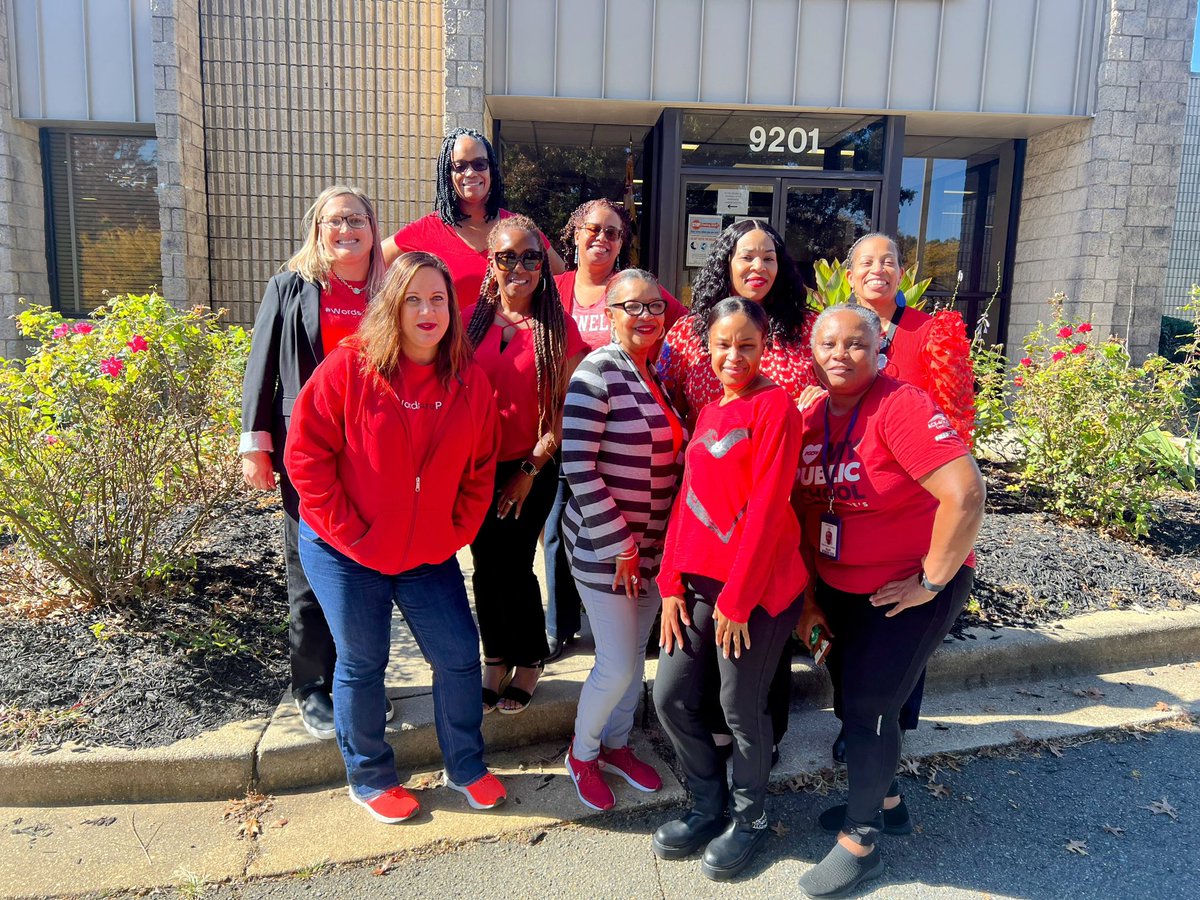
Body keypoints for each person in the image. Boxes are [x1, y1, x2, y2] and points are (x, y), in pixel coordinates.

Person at [284, 252, 506, 823]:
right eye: (414, 299)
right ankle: (370, 776)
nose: (427, 311)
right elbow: (306, 457)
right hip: (345, 548)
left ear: (453, 311)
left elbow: (481, 469)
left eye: (438, 299)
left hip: (426, 552)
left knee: (458, 654)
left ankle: (467, 766)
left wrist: (454, 529)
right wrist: (352, 531)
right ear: (393, 305)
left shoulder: (468, 378)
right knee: (362, 661)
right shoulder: (350, 368)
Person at [792, 304, 984, 897]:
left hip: (907, 590)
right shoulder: (811, 414)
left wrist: (930, 580)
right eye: (828, 344)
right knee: (851, 700)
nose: (840, 355)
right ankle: (889, 800)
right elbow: (800, 511)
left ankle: (862, 839)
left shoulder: (902, 406)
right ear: (813, 350)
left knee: (869, 709)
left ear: (879, 349)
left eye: (856, 344)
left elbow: (965, 493)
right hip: (838, 589)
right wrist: (808, 599)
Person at [652, 297, 808, 882]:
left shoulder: (774, 409)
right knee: (669, 696)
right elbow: (688, 504)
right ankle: (706, 800)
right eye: (723, 344)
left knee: (741, 706)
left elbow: (768, 511)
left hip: (758, 590)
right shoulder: (712, 411)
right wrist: (670, 584)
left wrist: (737, 602)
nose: (733, 355)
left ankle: (751, 817)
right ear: (707, 347)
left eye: (746, 344)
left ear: (764, 347)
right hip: (697, 586)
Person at [658, 218, 819, 765]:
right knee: (709, 643)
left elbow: (832, 388)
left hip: (777, 492)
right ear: (725, 261)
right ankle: (720, 735)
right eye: (746, 255)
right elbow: (675, 398)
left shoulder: (803, 329)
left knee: (762, 635)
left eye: (770, 257)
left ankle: (760, 740)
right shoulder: (687, 331)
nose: (758, 267)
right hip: (709, 494)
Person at [239, 184, 392, 740]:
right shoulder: (291, 287)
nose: (346, 228)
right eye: (335, 220)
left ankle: (360, 680)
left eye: (357, 218)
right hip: (309, 448)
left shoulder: (389, 290)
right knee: (309, 566)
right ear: (319, 230)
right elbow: (261, 371)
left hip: (377, 451)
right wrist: (256, 443)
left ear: (373, 229)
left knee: (371, 567)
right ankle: (311, 687)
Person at [824, 232, 977, 762]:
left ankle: (887, 733)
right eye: (866, 262)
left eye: (888, 262)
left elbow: (955, 428)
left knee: (901, 626)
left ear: (901, 272)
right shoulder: (837, 332)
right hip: (849, 505)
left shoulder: (929, 334)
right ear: (849, 274)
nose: (878, 270)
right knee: (854, 632)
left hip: (914, 512)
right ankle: (859, 722)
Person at [559, 269, 686, 812]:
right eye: (631, 307)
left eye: (654, 307)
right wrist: (623, 546)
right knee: (615, 663)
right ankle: (582, 754)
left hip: (653, 549)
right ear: (608, 314)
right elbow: (578, 466)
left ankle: (616, 744)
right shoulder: (598, 370)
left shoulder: (653, 372)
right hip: (607, 551)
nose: (645, 317)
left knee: (635, 655)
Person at [544, 200, 686, 662]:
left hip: (617, 432)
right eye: (593, 229)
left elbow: (683, 323)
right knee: (562, 539)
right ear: (575, 233)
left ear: (622, 242)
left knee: (602, 529)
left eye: (613, 232)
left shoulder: (635, 291)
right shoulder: (556, 288)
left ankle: (618, 634)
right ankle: (561, 628)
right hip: (558, 437)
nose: (601, 239)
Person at [464, 214, 588, 714]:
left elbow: (561, 417)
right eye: (506, 256)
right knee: (483, 567)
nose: (519, 266)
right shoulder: (468, 322)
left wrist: (527, 473)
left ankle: (530, 658)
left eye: (530, 257)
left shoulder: (557, 329)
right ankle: (495, 657)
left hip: (531, 467)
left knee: (513, 565)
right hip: (474, 466)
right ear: (490, 261)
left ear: (543, 264)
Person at [382, 127, 564, 301]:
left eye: (479, 164)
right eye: (460, 166)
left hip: (510, 333)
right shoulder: (425, 230)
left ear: (491, 170)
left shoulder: (518, 229)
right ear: (447, 173)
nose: (470, 173)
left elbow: (563, 277)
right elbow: (371, 261)